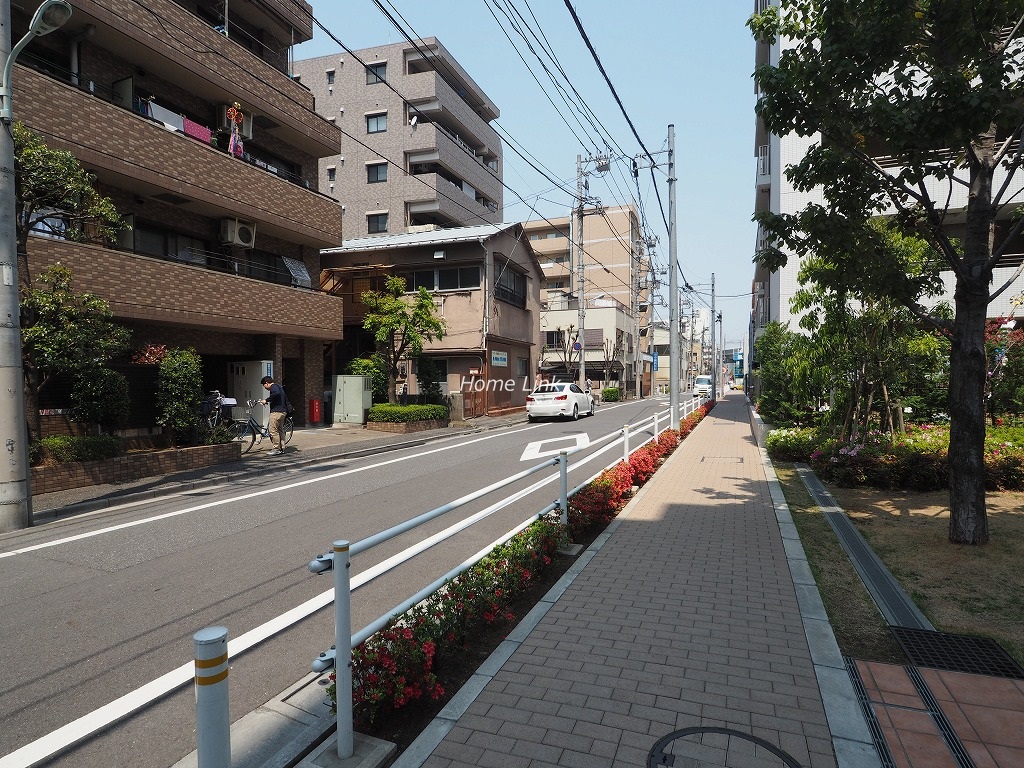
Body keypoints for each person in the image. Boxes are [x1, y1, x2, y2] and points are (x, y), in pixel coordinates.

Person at [259, 375, 287, 456]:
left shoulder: (273, 387)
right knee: (280, 430)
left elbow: (276, 394)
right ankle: (282, 448)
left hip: (276, 412)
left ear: (267, 383)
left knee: (273, 431)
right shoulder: (278, 386)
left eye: (264, 385)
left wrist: (266, 400)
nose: (264, 387)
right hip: (283, 411)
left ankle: (276, 449)